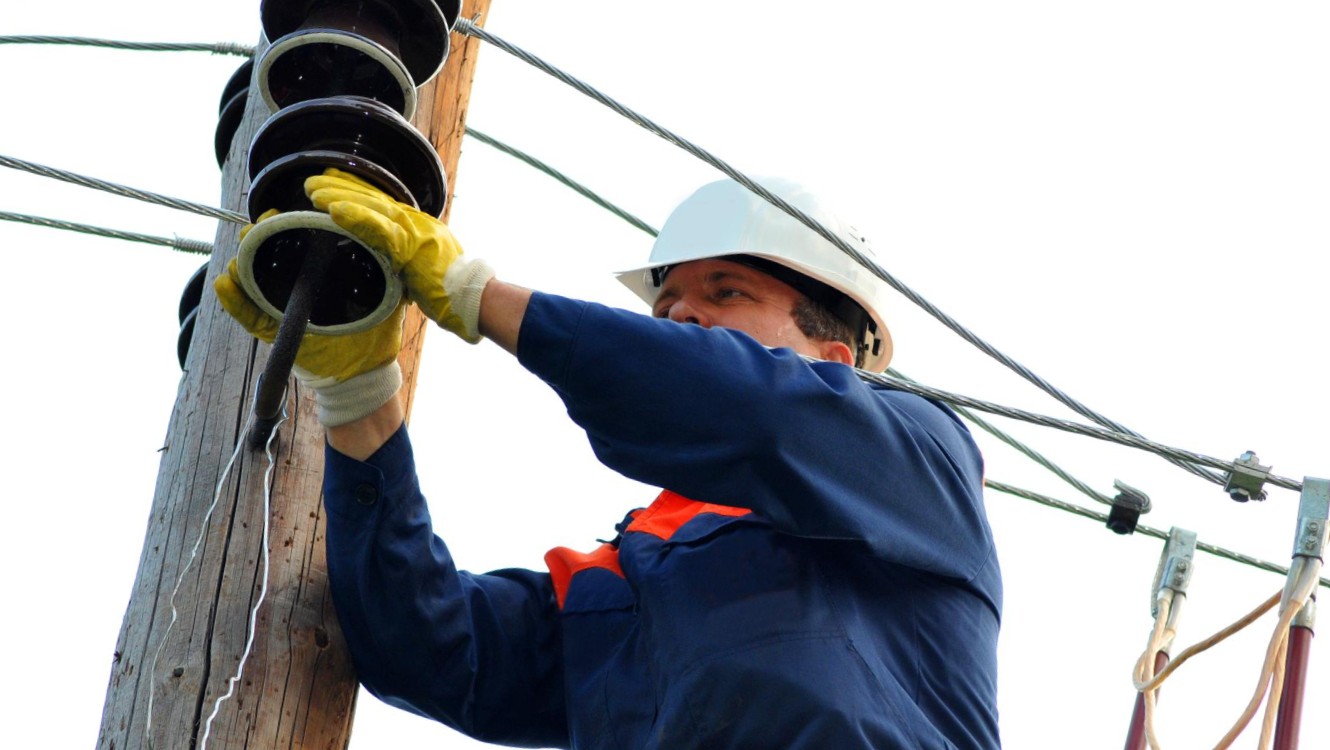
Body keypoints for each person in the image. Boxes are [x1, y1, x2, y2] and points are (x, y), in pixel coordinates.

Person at [216, 171, 1002, 749]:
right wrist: (358, 393)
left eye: (725, 293)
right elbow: (429, 648)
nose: (678, 314)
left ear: (837, 361)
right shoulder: (620, 582)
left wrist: (473, 292)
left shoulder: (918, 463)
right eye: (665, 306)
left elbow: (746, 406)